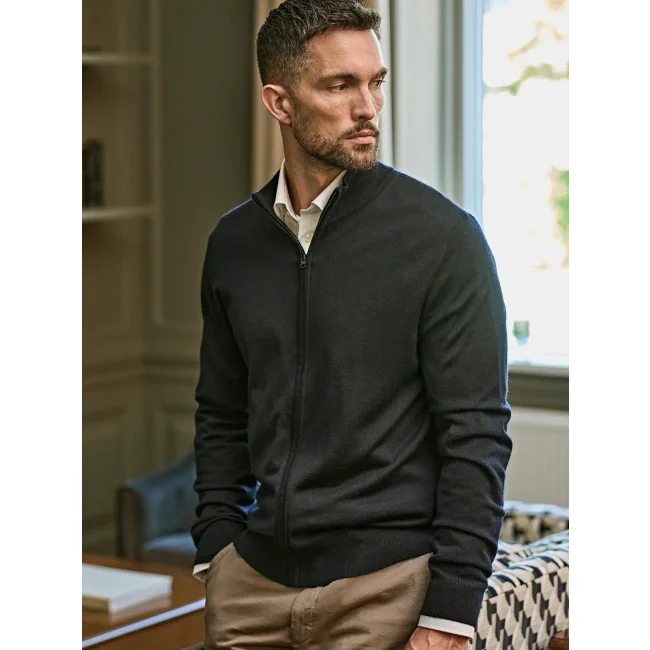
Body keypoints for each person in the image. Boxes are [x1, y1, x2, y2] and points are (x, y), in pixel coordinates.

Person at [191, 1, 512, 648]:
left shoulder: (443, 239)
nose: (368, 107)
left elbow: (475, 436)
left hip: (385, 592)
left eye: (376, 81)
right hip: (250, 587)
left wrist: (450, 613)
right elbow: (222, 410)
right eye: (340, 85)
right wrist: (216, 547)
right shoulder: (234, 243)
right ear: (280, 103)